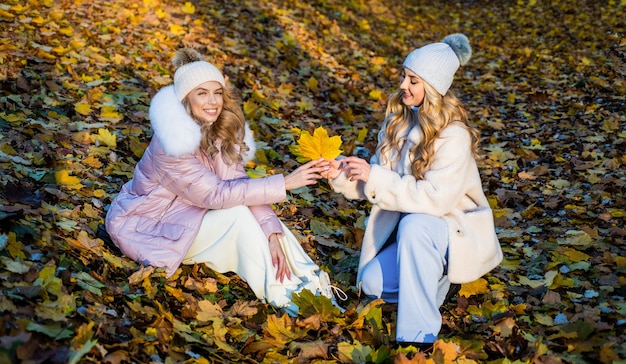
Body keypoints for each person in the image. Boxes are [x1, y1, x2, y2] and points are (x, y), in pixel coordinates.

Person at [105, 48, 342, 316]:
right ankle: (285, 293)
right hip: (149, 227)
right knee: (238, 217)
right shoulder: (171, 144)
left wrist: (272, 232)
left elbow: (239, 184)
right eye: (202, 93)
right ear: (185, 99)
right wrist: (284, 183)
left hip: (187, 217)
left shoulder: (218, 131)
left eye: (217, 92)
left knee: (256, 218)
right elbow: (216, 195)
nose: (212, 101)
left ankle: (311, 282)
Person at [322, 34, 502, 351]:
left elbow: (435, 199)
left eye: (413, 80)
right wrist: (341, 174)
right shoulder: (398, 124)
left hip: (449, 229)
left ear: (431, 88)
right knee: (374, 284)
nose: (403, 85)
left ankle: (417, 339)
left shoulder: (453, 134)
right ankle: (426, 276)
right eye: (404, 76)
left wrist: (375, 175)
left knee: (415, 224)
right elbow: (376, 183)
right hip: (410, 236)